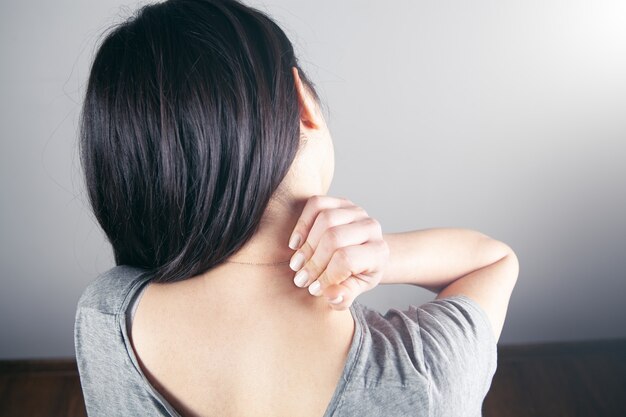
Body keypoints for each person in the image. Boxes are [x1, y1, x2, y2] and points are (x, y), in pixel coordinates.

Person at [74, 0, 520, 416]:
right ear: (301, 101)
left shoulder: (104, 318)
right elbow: (494, 260)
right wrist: (376, 256)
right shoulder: (423, 375)